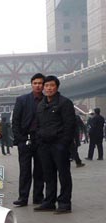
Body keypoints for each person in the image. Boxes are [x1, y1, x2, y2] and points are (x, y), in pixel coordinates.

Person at [35, 75, 75, 214]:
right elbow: (38, 124)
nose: (49, 88)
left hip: (59, 145)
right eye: (46, 86)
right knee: (48, 175)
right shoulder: (41, 104)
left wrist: (64, 143)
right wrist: (39, 140)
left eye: (52, 85)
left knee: (63, 175)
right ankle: (49, 201)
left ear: (57, 87)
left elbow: (70, 126)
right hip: (44, 146)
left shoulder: (65, 103)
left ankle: (64, 203)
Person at [11, 73, 46, 207]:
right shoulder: (22, 100)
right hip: (25, 139)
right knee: (25, 170)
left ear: (43, 85)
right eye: (35, 83)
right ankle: (23, 197)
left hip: (41, 140)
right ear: (31, 84)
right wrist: (19, 139)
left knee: (40, 170)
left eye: (40, 83)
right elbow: (15, 121)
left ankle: (38, 197)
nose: (38, 85)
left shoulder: (47, 100)